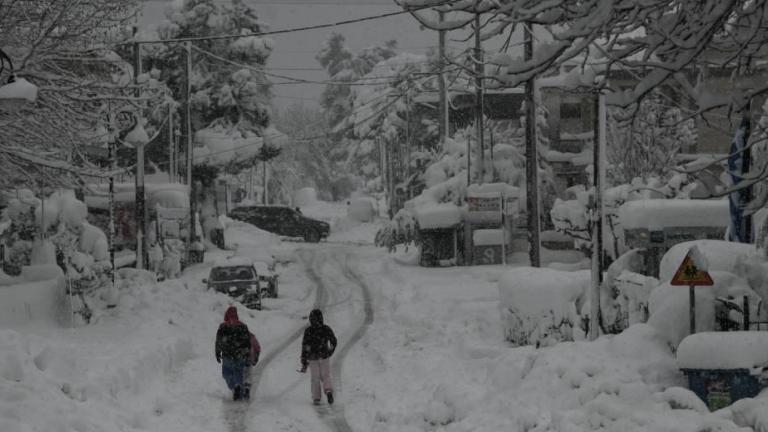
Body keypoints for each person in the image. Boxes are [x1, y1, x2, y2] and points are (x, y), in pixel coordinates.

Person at [300, 309, 337, 405]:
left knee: (315, 378)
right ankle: (328, 390)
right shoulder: (326, 329)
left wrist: (304, 360)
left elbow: (305, 346)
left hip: (313, 358)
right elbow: (333, 340)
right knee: (326, 375)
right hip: (324, 355)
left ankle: (316, 398)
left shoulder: (308, 331)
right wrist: (330, 351)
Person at [215, 306, 252, 401]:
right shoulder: (243, 326)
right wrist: (247, 353)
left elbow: (219, 341)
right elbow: (248, 341)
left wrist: (218, 352)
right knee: (239, 372)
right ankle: (239, 387)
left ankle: (234, 386)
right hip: (240, 354)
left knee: (226, 374)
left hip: (228, 355)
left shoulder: (223, 326)